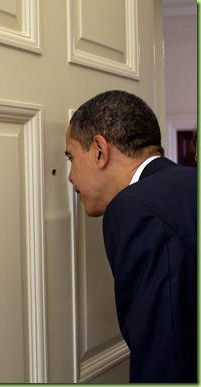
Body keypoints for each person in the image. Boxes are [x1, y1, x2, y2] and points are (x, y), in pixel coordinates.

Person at [65, 90, 197, 383]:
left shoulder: (134, 207)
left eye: (71, 157)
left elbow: (164, 354)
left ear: (100, 150)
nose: (70, 176)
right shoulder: (191, 182)